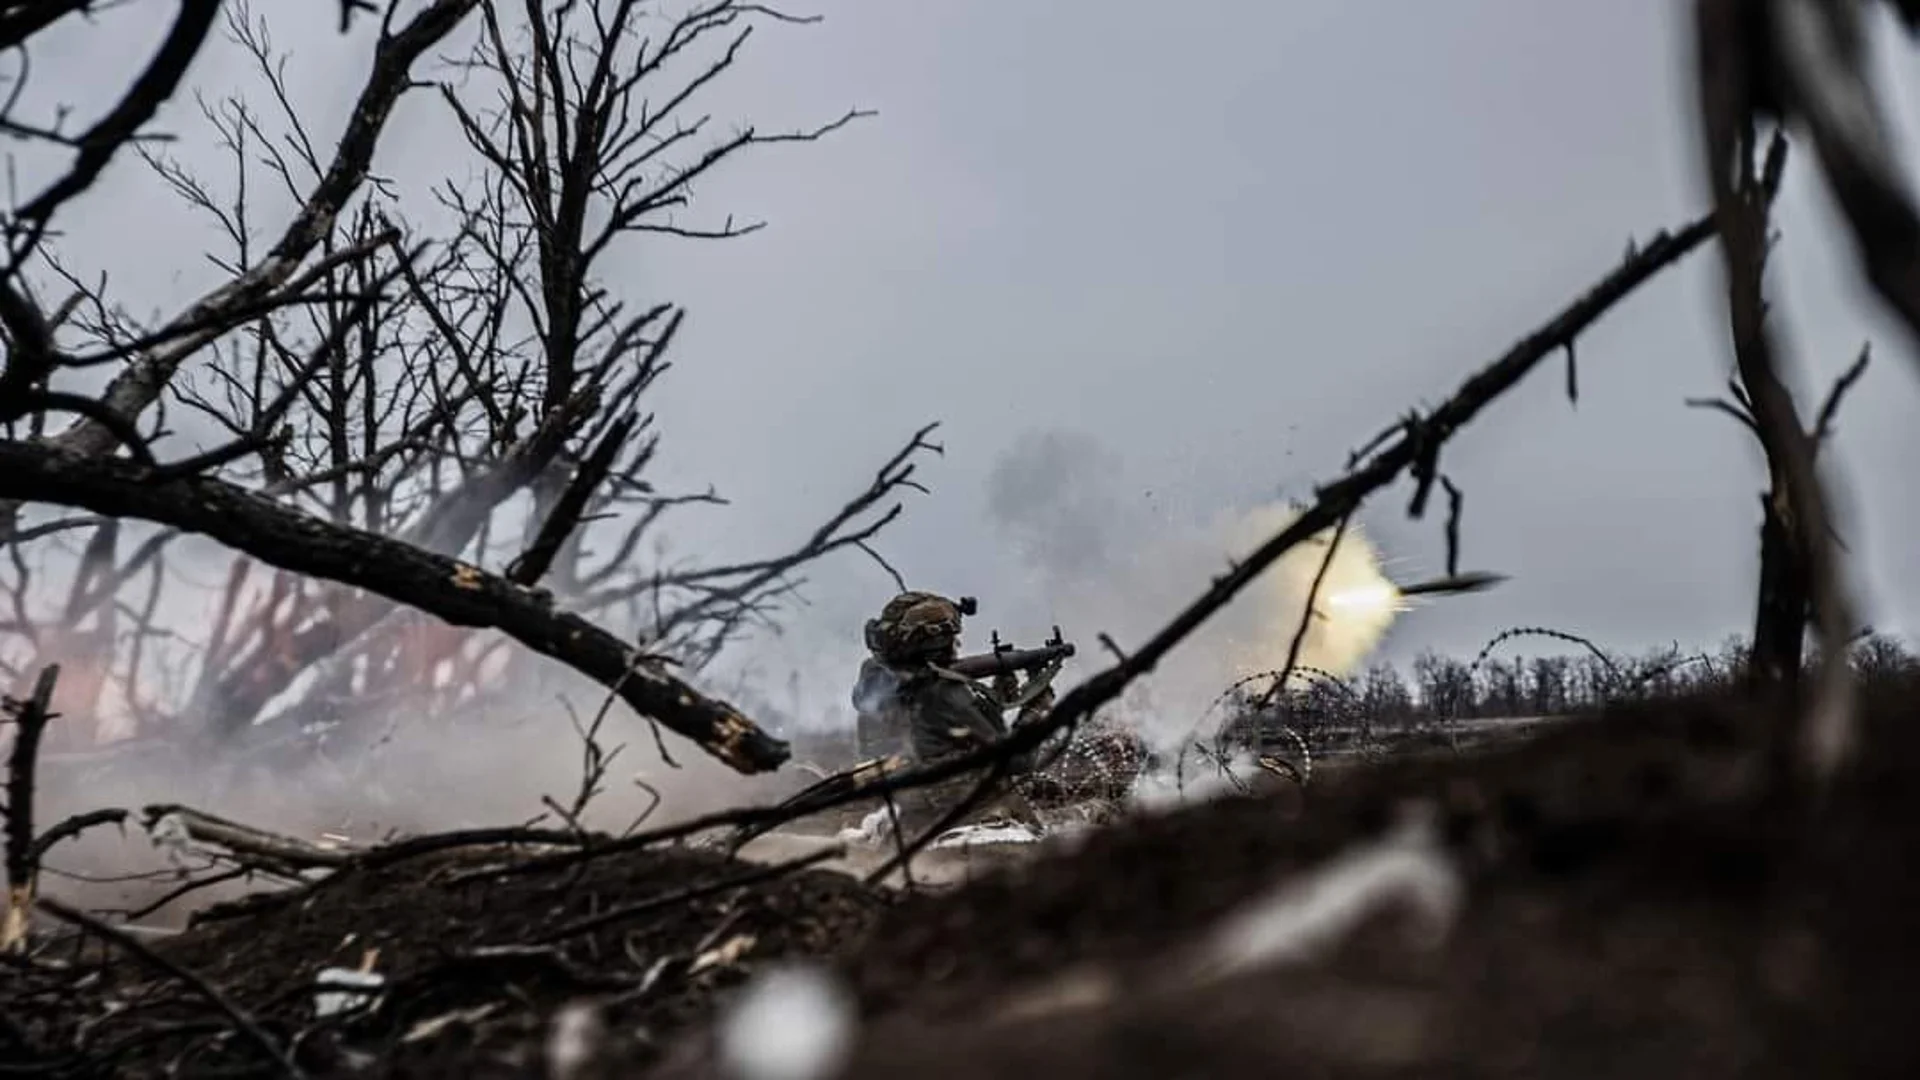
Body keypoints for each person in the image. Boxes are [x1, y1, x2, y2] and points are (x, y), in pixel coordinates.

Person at [850, 590, 1054, 834]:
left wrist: (995, 694)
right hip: (963, 819)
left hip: (899, 812)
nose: (956, 645)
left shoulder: (875, 676)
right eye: (953, 638)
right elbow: (1018, 760)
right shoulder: (944, 693)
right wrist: (1036, 707)